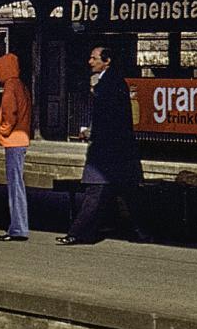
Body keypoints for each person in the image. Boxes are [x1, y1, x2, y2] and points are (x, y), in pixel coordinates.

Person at [60, 44, 145, 246]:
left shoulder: (109, 84)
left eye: (94, 58)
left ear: (106, 61)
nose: (90, 62)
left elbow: (108, 117)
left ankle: (79, 233)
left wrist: (92, 132)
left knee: (96, 191)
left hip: (107, 150)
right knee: (124, 193)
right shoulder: (110, 81)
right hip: (115, 148)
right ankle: (141, 232)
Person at [0, 52, 32, 241]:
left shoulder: (10, 86)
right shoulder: (21, 85)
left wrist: (2, 129)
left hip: (14, 140)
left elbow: (10, 113)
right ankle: (19, 226)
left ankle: (18, 228)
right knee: (18, 184)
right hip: (21, 139)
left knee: (15, 185)